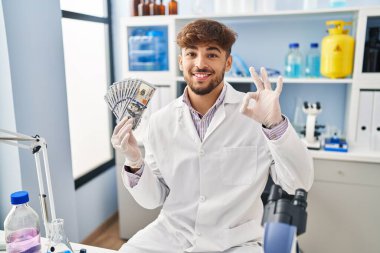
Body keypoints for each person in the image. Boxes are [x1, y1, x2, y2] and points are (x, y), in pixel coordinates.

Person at [111, 19, 314, 253]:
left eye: (212, 54)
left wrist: (275, 124)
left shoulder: (257, 113)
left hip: (238, 242)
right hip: (172, 236)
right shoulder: (160, 121)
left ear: (227, 63)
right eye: (191, 54)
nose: (200, 63)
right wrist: (135, 161)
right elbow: (153, 199)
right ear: (181, 62)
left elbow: (299, 182)